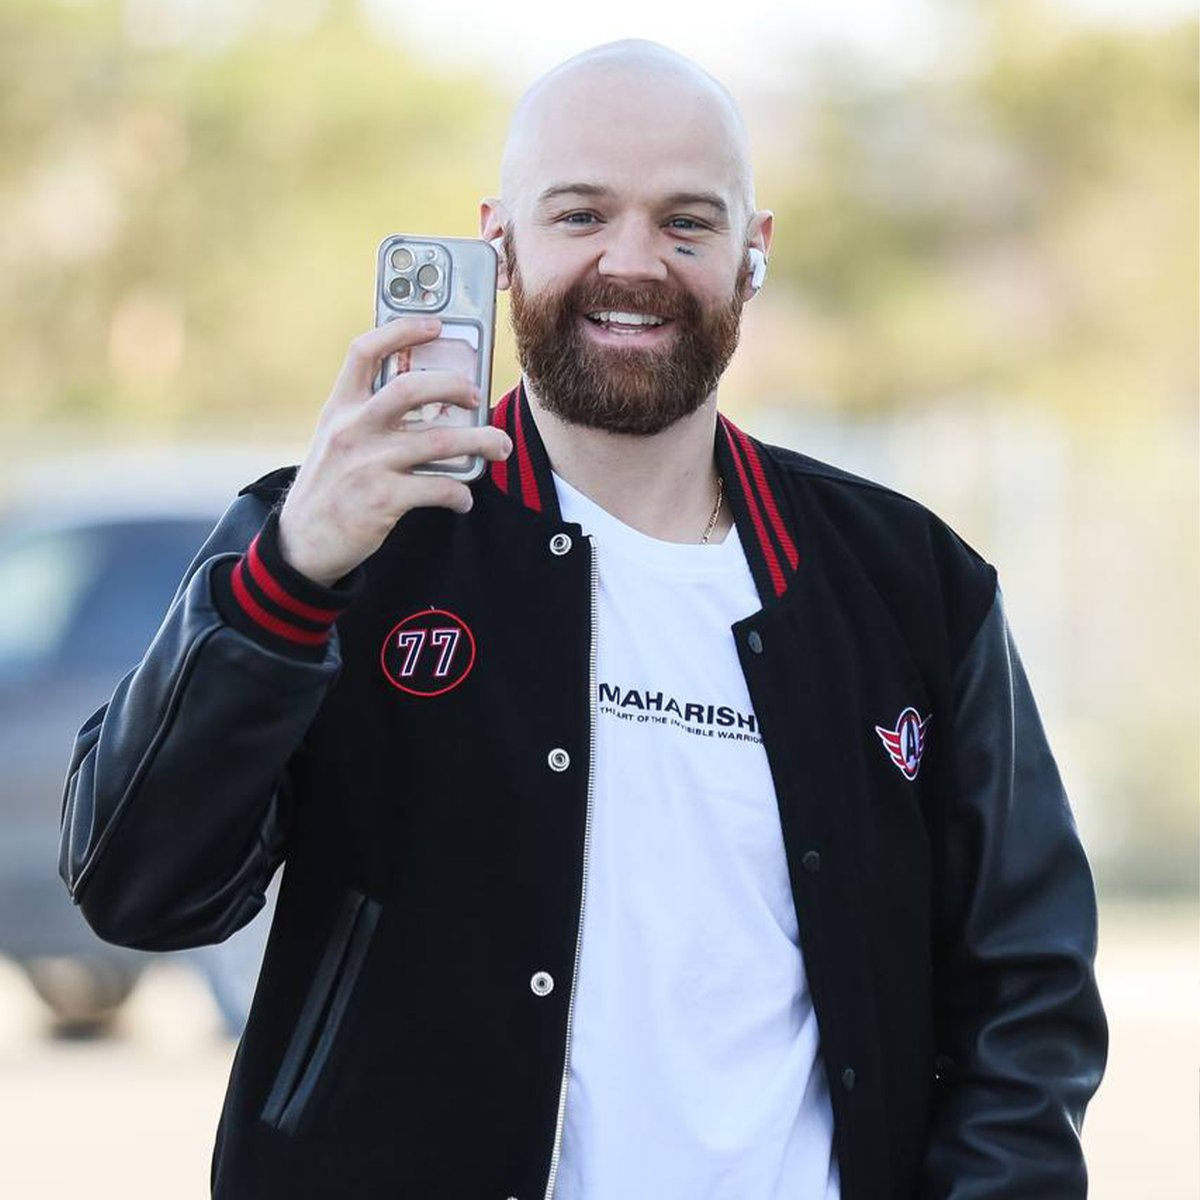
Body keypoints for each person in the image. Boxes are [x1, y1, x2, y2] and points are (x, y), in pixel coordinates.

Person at [59, 40, 1106, 1200]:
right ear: (497, 237)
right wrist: (295, 575)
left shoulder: (911, 583)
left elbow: (1029, 993)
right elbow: (137, 887)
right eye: (582, 213)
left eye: (687, 224)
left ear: (754, 254)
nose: (633, 262)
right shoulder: (346, 536)